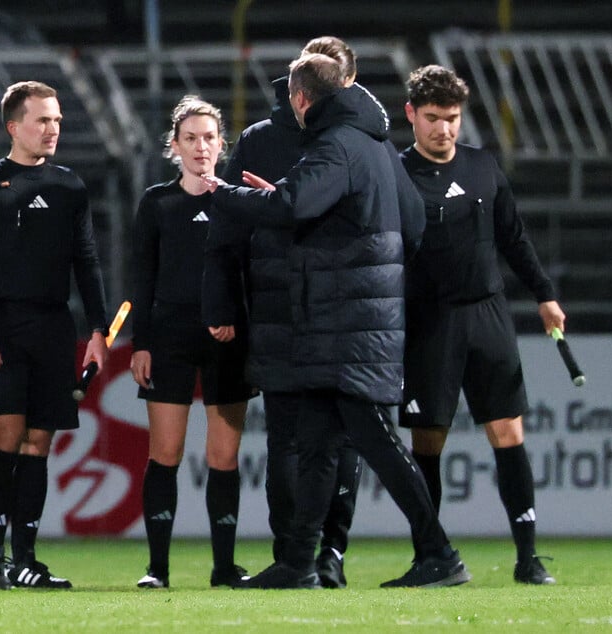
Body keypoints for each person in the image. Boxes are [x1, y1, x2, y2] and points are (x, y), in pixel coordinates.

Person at [204, 54, 470, 589]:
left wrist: (225, 192)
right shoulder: (372, 144)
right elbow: (413, 221)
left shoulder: (338, 144)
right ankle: (301, 562)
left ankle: (440, 553)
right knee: (321, 443)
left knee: (374, 440)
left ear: (301, 99)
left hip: (346, 323)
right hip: (355, 319)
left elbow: (293, 204)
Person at [202, 35, 365, 589]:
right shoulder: (262, 141)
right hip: (277, 312)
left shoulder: (356, 142)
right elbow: (226, 231)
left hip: (342, 313)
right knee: (288, 440)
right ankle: (291, 554)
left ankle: (330, 555)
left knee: (342, 440)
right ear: (304, 90)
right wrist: (222, 301)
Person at [398, 65, 564, 585]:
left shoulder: (483, 167)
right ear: (411, 116)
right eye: (432, 119)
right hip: (430, 323)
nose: (443, 129)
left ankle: (528, 557)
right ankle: (431, 554)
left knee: (508, 433)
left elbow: (514, 239)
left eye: (451, 119)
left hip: (488, 316)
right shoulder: (395, 173)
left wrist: (545, 296)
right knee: (428, 443)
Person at [0, 81, 110, 589]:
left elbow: (86, 261)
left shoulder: (69, 186)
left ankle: (25, 558)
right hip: (1, 327)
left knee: (39, 441)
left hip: (52, 327)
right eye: (43, 120)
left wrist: (98, 329)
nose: (52, 129)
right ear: (13, 126)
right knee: (6, 433)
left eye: (58, 120)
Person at [130, 95, 255, 590]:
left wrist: (236, 319)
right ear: (174, 147)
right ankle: (157, 569)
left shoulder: (238, 201)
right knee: (166, 452)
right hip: (169, 339)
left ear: (222, 145)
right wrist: (141, 343)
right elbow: (144, 276)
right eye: (191, 138)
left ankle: (224, 568)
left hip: (227, 340)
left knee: (224, 458)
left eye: (209, 138)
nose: (201, 147)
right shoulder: (157, 203)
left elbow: (248, 274)